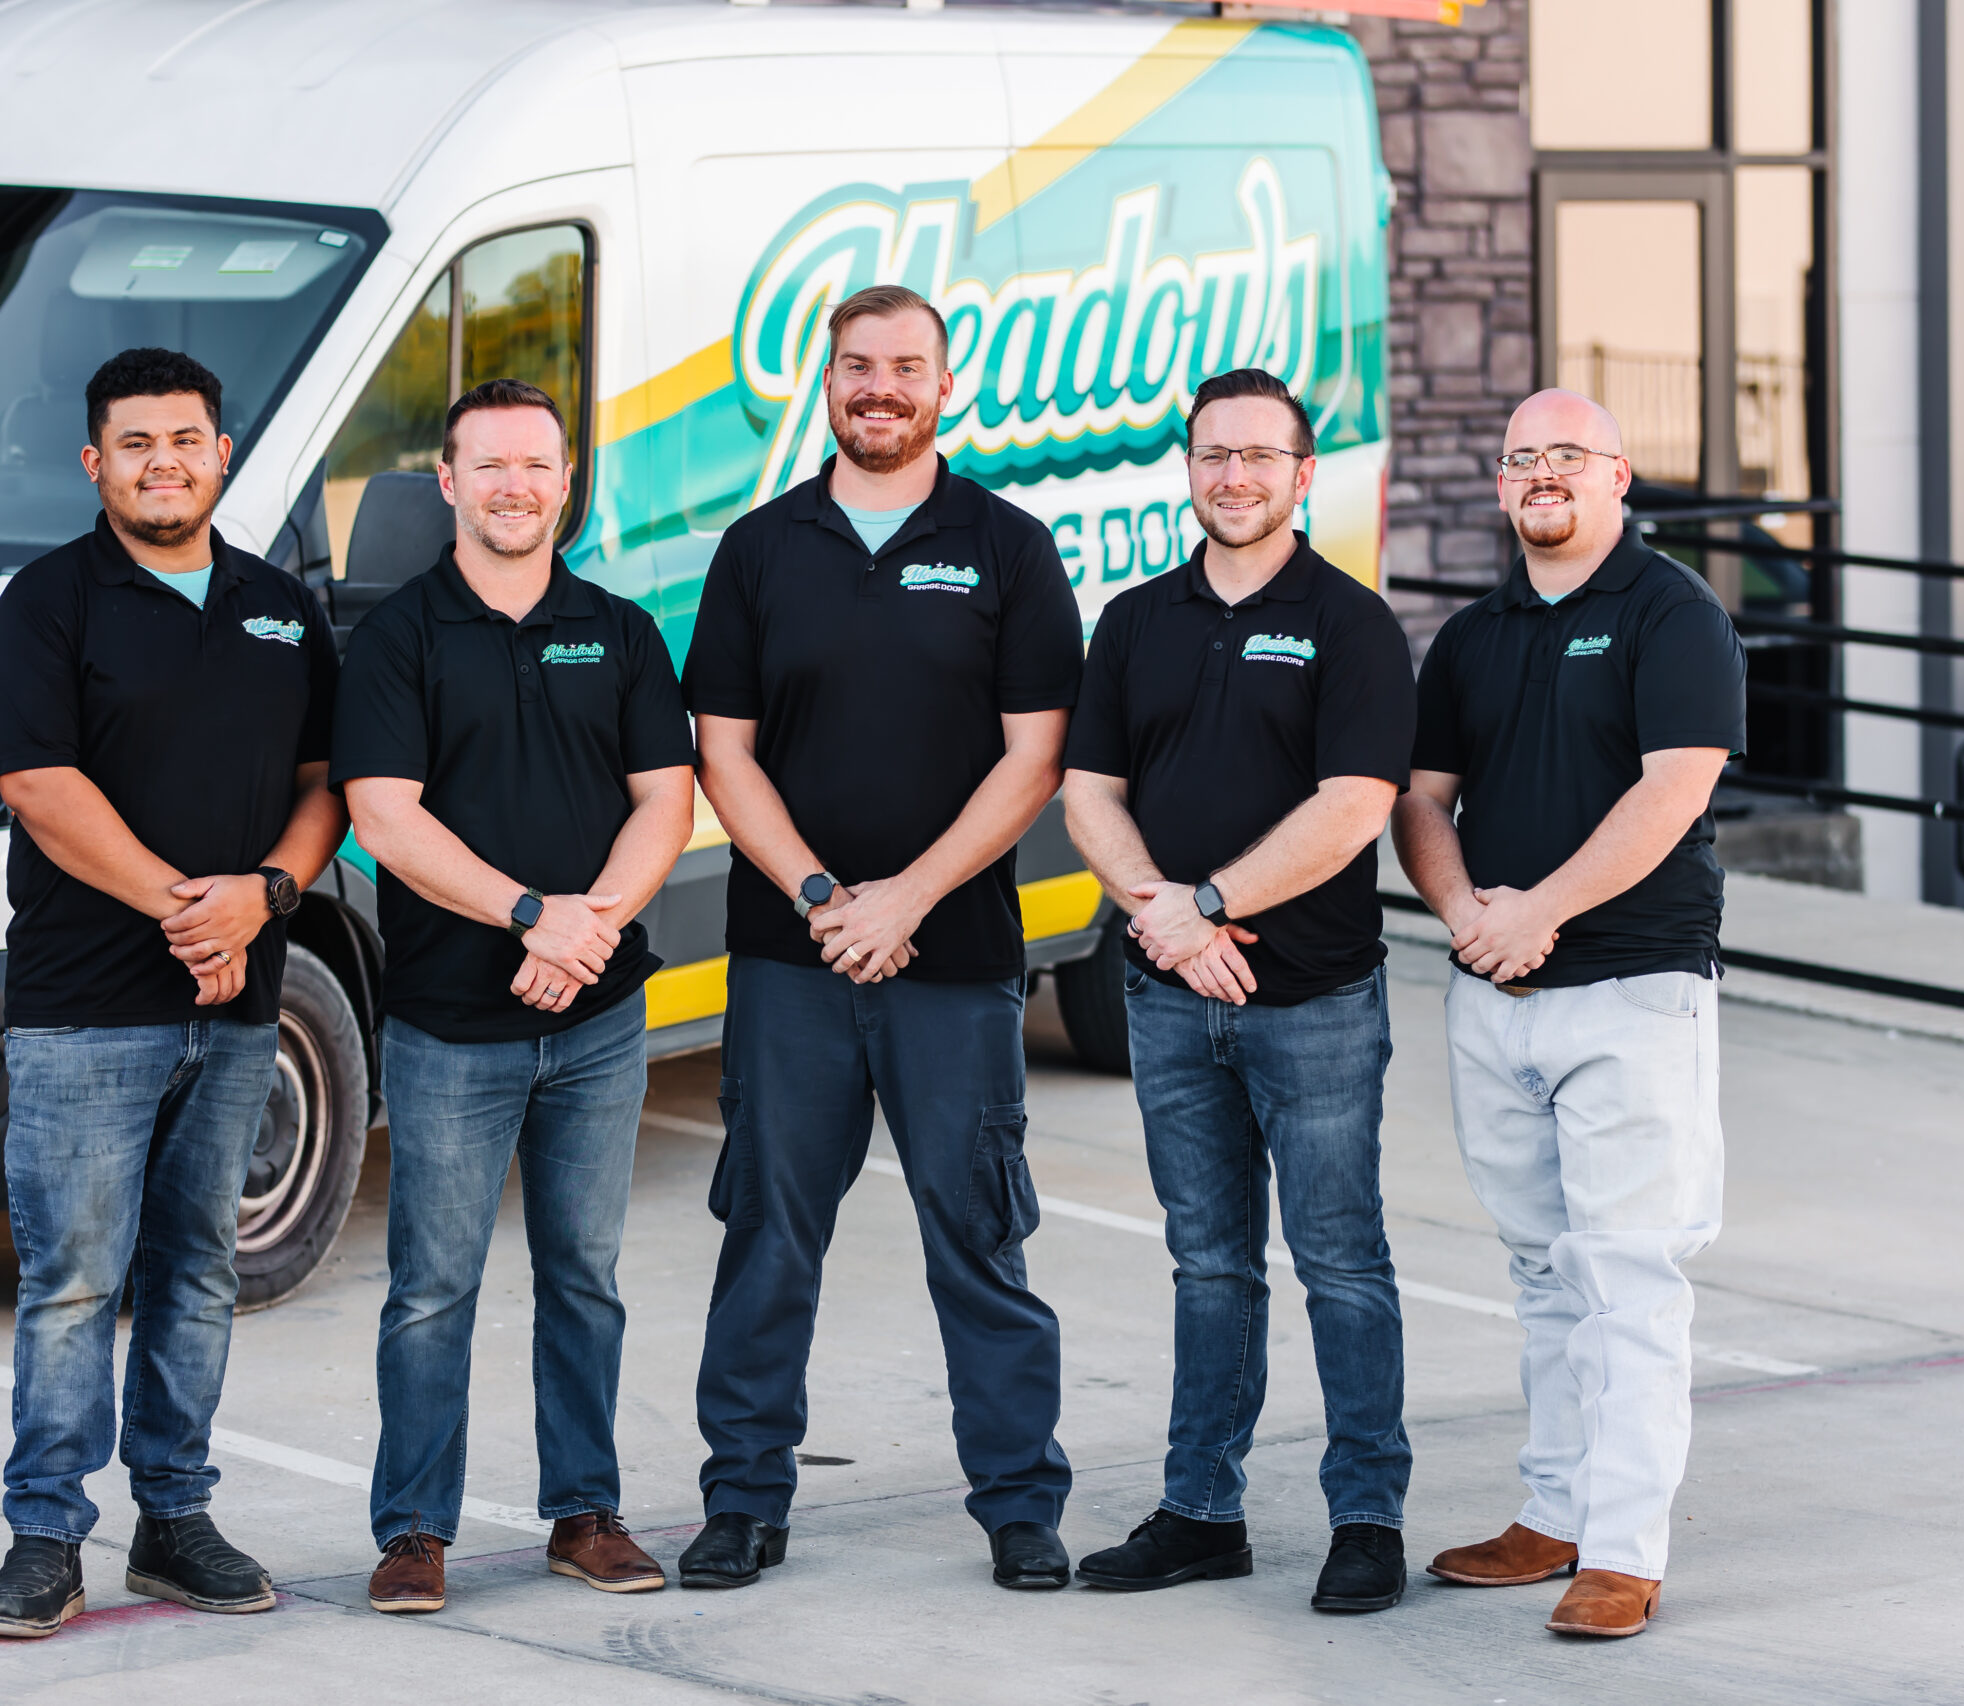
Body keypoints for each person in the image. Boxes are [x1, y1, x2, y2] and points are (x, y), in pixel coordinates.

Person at [677, 284, 1084, 1593]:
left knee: (980, 1234)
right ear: (830, 381)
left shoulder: (1010, 548)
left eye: (906, 367)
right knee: (768, 1237)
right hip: (791, 963)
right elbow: (721, 754)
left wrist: (905, 896)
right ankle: (743, 1499)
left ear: (944, 387)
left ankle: (1021, 1504)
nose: (881, 388)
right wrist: (818, 895)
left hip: (953, 965)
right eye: (859, 366)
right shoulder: (759, 549)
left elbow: (1036, 759)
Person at [0, 347, 347, 1638]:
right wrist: (191, 910)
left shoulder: (279, 606)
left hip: (239, 999)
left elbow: (323, 783)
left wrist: (267, 898)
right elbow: (39, 784)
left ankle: (175, 1519)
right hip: (85, 1003)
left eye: (184, 438)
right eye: (134, 443)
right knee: (74, 1277)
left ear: (222, 452)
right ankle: (44, 1534)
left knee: (196, 1271)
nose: (163, 462)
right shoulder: (47, 602)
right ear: (96, 462)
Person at [332, 379, 696, 1615]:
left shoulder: (620, 629)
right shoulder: (397, 638)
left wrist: (586, 933)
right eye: (487, 466)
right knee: (433, 1285)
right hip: (451, 1025)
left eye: (535, 465)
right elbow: (385, 816)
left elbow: (664, 799)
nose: (513, 487)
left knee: (583, 1273)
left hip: (595, 1022)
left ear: (564, 481)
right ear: (446, 482)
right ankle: (414, 1530)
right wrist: (536, 915)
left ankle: (582, 1512)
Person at [1061, 367, 1417, 1612]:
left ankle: (1366, 1515)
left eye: (1260, 456)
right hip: (1169, 998)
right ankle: (1201, 1508)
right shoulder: (1137, 617)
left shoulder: (1351, 622)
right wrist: (1161, 914)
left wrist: (1203, 904)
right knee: (1207, 1261)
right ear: (1190, 465)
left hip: (1311, 1000)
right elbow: (1087, 793)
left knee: (1341, 1261)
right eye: (1214, 454)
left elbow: (1354, 807)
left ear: (1302, 474)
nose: (1234, 476)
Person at [1390, 388, 1744, 1639]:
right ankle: (1552, 1507)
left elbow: (1673, 790)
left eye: (1568, 456)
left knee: (1629, 1272)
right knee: (1539, 1267)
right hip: (1496, 991)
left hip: (1634, 989)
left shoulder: (1671, 613)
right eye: (1521, 458)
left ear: (1618, 476)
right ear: (1500, 487)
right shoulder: (1475, 634)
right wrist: (1466, 912)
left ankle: (1625, 1547)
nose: (1543, 474)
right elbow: (1422, 798)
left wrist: (1538, 906)